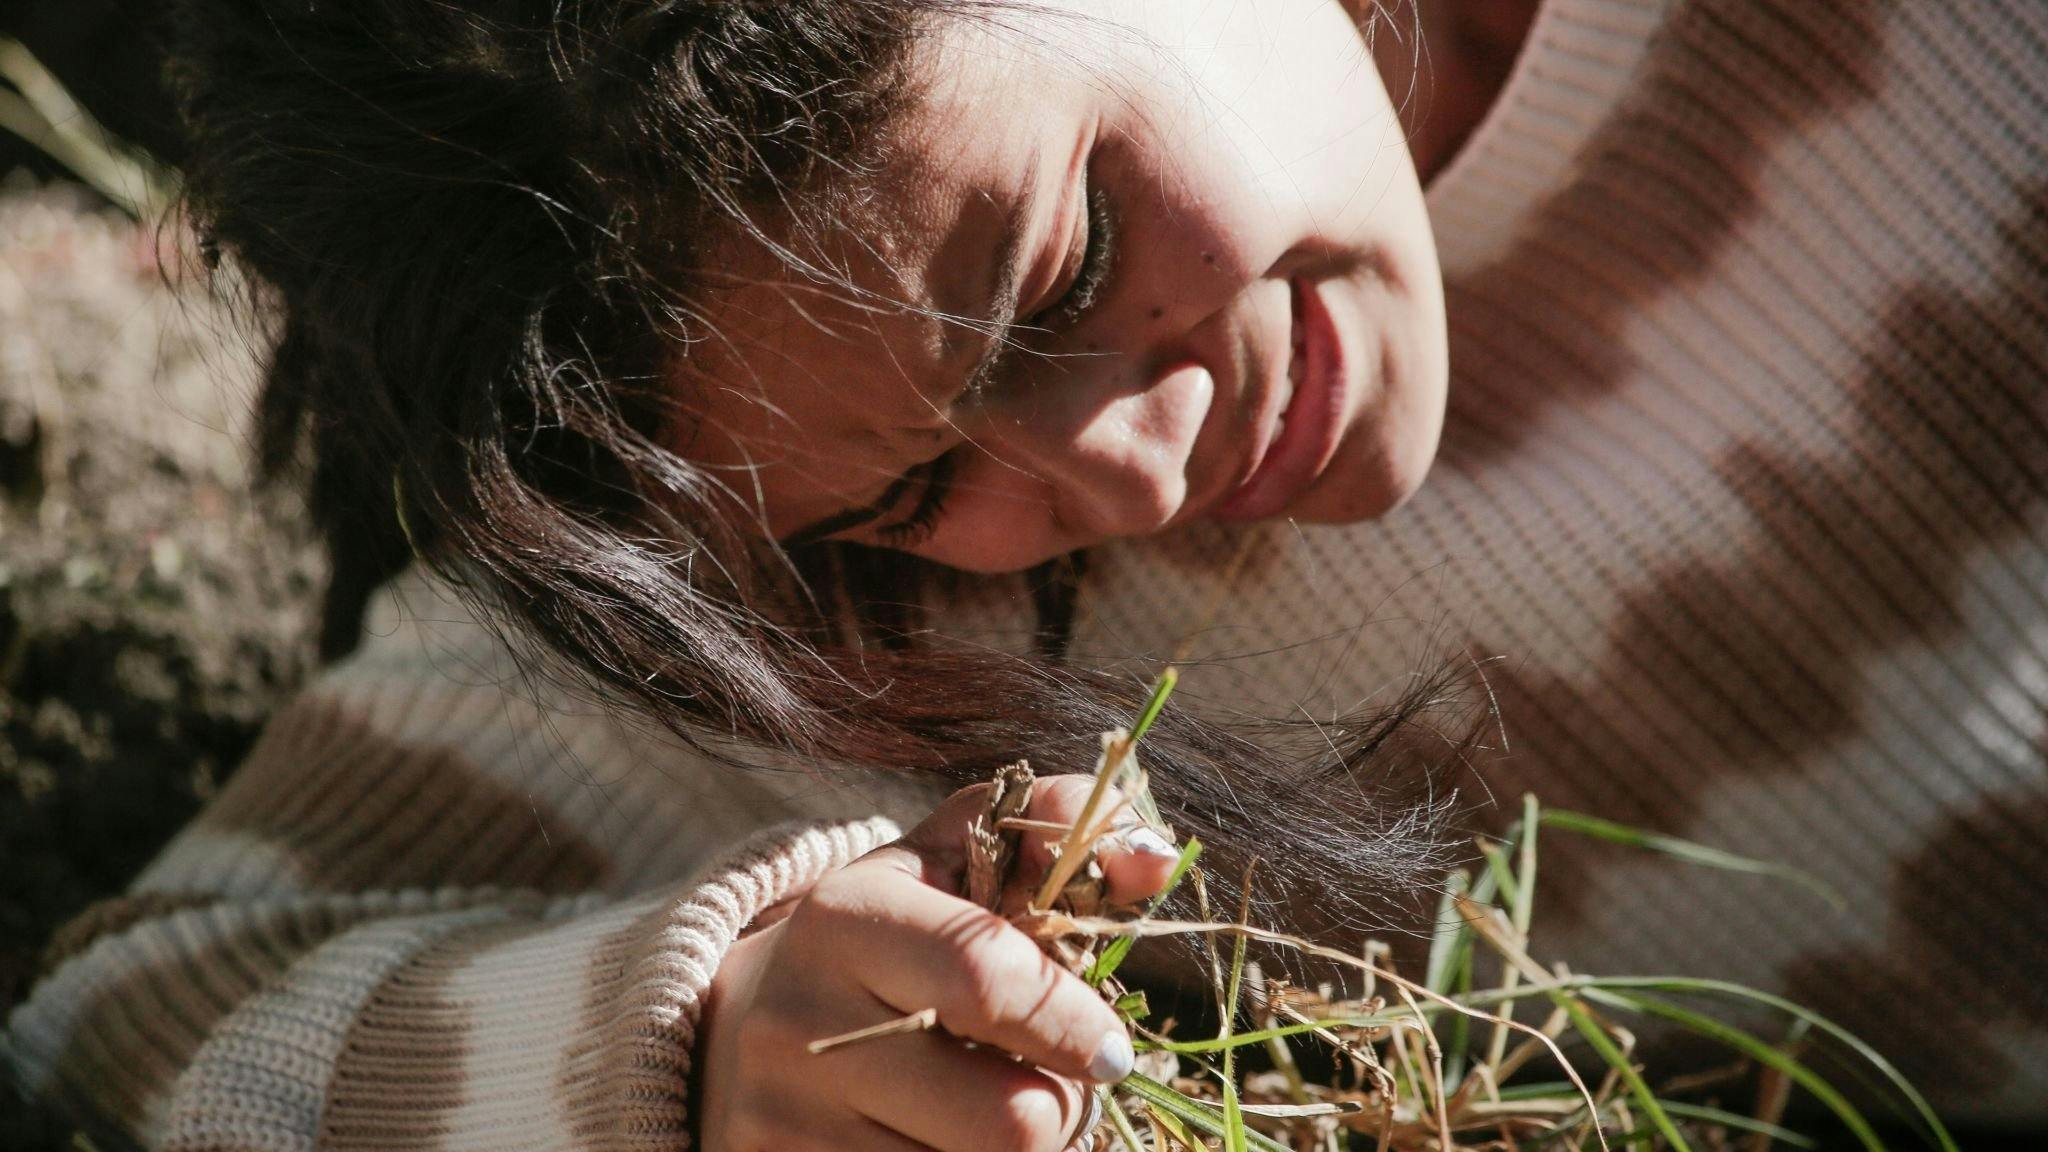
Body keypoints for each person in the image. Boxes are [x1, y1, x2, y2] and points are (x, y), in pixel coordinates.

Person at [6, 0, 2045, 1147]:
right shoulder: (813, 613)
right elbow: (145, 1015)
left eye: (1060, 263)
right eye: (897, 490)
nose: (1132, 475)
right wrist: (688, 1034)